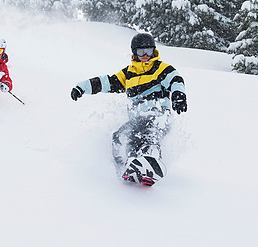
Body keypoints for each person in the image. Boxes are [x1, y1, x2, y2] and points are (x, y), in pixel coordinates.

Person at [70, 32, 187, 183]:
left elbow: (176, 80)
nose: (145, 55)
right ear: (134, 52)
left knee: (149, 134)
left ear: (154, 51)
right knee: (120, 136)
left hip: (158, 115)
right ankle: (131, 164)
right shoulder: (128, 73)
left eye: (149, 51)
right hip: (138, 119)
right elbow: (108, 82)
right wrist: (83, 87)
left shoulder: (161, 68)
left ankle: (152, 159)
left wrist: (179, 95)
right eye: (141, 51)